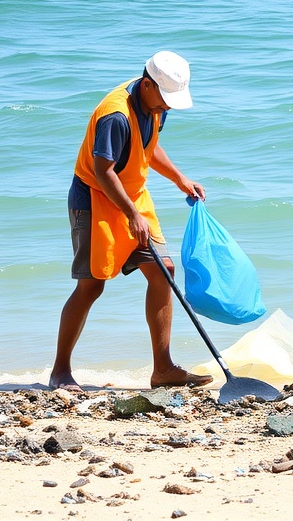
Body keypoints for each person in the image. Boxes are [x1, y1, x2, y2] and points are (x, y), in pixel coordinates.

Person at [49, 51, 213, 392]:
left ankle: (163, 369)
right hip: (95, 198)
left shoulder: (154, 105)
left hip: (133, 196)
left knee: (164, 270)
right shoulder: (116, 116)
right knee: (92, 285)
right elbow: (103, 171)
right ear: (148, 84)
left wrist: (179, 179)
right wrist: (131, 215)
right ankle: (60, 372)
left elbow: (148, 147)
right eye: (165, 99)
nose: (167, 107)